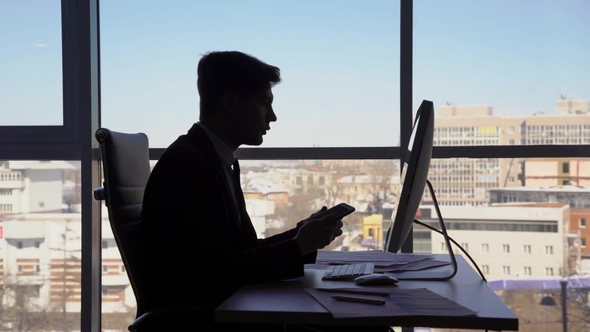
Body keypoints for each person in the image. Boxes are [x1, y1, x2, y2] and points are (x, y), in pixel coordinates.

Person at [139, 51, 391, 332]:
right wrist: (298, 246)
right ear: (231, 103)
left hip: (234, 312)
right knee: (372, 328)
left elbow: (240, 252)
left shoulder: (212, 159)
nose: (272, 116)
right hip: (218, 322)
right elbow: (216, 273)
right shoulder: (188, 167)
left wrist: (300, 234)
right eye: (264, 103)